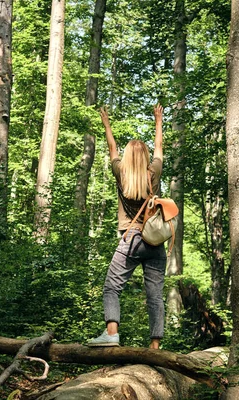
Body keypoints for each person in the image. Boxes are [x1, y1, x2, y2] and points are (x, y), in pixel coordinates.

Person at [87, 104, 166, 350]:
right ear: (144, 157)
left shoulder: (120, 172)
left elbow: (112, 148)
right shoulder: (154, 173)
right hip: (155, 241)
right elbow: (160, 149)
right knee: (154, 294)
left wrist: (106, 124)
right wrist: (158, 122)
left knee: (112, 286)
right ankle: (155, 345)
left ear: (128, 157)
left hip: (131, 239)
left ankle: (112, 334)